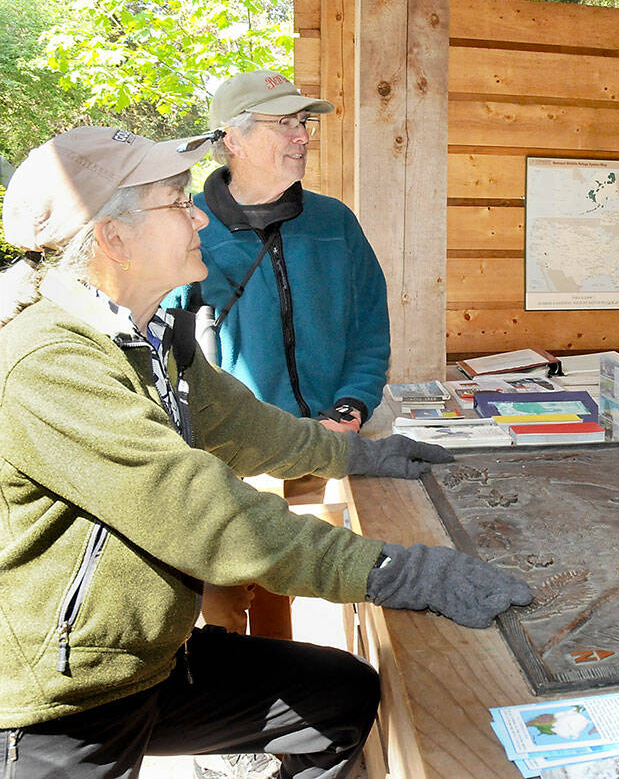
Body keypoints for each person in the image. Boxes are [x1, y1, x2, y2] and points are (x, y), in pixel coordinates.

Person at [0, 126, 533, 779]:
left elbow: (246, 427)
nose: (198, 214)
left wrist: (357, 457)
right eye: (176, 201)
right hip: (62, 697)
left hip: (150, 659)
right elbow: (203, 513)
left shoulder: (148, 337)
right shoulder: (50, 363)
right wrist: (398, 572)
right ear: (113, 238)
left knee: (342, 699)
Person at [165, 70, 388, 435]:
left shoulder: (336, 222)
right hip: (237, 452)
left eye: (303, 122)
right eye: (284, 123)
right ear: (235, 140)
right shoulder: (188, 228)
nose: (302, 136)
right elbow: (164, 353)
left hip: (334, 437)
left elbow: (371, 329)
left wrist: (351, 405)